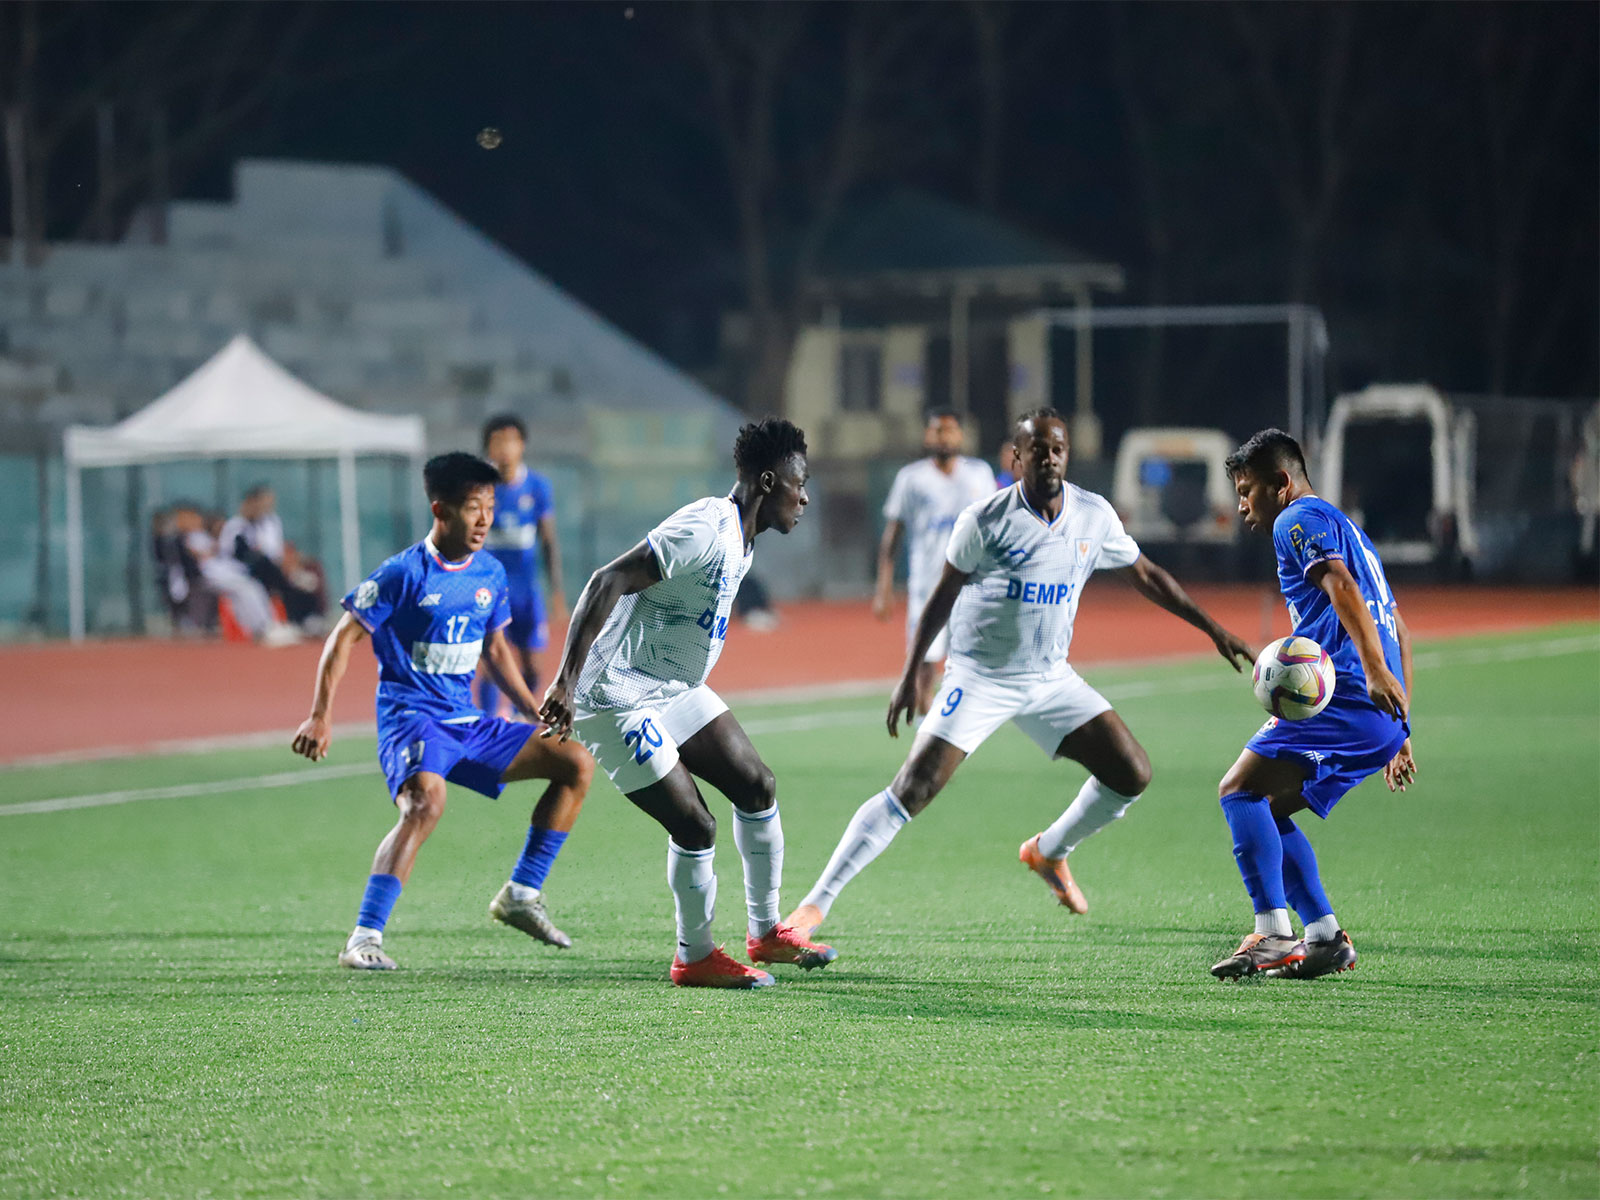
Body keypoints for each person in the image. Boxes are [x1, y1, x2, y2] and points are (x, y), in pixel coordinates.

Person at [786, 408, 1254, 945]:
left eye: (1057, 448)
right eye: (1037, 449)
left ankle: (1050, 850)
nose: (1048, 457)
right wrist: (912, 669)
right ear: (1016, 458)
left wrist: (1214, 630)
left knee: (1132, 773)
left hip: (1050, 678)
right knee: (912, 789)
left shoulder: (1093, 515)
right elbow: (942, 593)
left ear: (1067, 456)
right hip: (980, 677)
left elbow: (1145, 574)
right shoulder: (985, 519)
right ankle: (812, 908)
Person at [539, 418, 836, 989]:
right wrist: (566, 683)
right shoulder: (705, 527)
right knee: (696, 825)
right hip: (616, 696)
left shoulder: (744, 541)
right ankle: (694, 956)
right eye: (800, 484)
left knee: (757, 785)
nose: (805, 497)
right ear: (769, 482)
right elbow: (606, 580)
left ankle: (766, 931)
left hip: (671, 687)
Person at [290, 451, 594, 971]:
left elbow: (495, 650)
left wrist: (531, 708)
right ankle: (363, 938)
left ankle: (521, 893)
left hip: (467, 721)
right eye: (473, 508)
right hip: (413, 720)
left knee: (575, 763)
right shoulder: (402, 574)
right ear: (441, 509)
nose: (485, 520)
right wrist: (321, 715)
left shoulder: (490, 573)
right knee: (426, 805)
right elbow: (344, 638)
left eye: (490, 507)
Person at [1208, 428, 1414, 980]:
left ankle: (1273, 933)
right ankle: (1324, 938)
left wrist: (1370, 673)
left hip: (1343, 697)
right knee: (1269, 810)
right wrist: (1402, 724)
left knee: (1239, 790)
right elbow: (1400, 627)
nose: (1242, 504)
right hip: (1373, 717)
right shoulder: (1350, 530)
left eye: (1247, 489)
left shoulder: (1294, 521)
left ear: (1281, 483)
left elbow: (1342, 588)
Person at [873, 410, 998, 716]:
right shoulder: (911, 478)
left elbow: (995, 527)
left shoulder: (979, 474)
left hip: (973, 584)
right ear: (928, 436)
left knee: (971, 661)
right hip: (927, 585)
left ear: (961, 435)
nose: (944, 436)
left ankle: (957, 727)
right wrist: (884, 586)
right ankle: (926, 730)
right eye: (937, 430)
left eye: (950, 430)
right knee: (925, 663)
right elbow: (893, 536)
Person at [479, 415, 568, 719]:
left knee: (533, 664)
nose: (505, 448)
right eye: (498, 441)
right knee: (490, 661)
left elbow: (548, 542)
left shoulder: (537, 487)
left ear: (522, 446)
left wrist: (556, 590)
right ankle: (488, 723)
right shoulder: (481, 487)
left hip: (527, 591)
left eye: (511, 441)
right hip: (490, 592)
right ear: (488, 449)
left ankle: (520, 719)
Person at [184, 508, 299, 646]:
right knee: (248, 589)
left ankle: (263, 627)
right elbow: (199, 554)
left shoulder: (211, 537)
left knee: (249, 589)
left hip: (223, 573)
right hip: (208, 575)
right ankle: (263, 628)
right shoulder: (193, 537)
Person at [220, 484, 324, 630]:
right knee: (276, 575)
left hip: (274, 566)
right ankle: (278, 624)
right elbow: (235, 554)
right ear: (251, 502)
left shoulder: (271, 522)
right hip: (248, 570)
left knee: (310, 574)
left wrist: (290, 563)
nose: (267, 506)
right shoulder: (236, 525)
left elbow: (276, 550)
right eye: (263, 502)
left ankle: (309, 618)